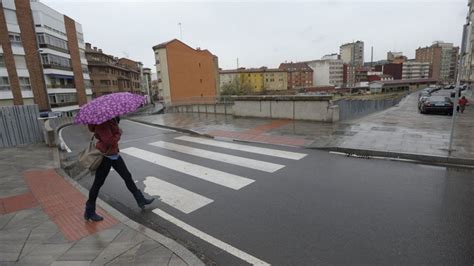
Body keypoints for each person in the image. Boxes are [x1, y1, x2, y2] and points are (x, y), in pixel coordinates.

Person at [84, 117, 154, 222]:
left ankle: (141, 200)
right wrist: (119, 133)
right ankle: (89, 211)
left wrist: (116, 127)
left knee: (127, 176)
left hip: (113, 154)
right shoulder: (103, 122)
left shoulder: (110, 120)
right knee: (98, 184)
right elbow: (109, 141)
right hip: (105, 157)